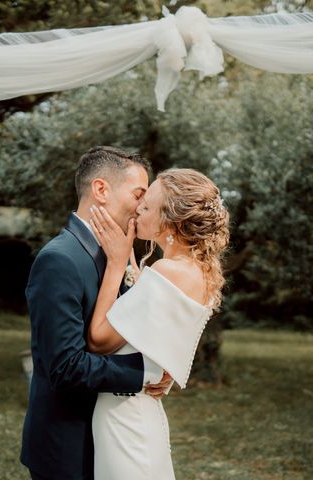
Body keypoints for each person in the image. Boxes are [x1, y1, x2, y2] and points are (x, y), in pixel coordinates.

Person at [20, 146, 173, 480]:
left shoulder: (116, 254)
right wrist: (144, 374)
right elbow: (65, 367)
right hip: (70, 446)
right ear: (101, 190)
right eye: (138, 195)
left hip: (115, 438)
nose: (143, 207)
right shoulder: (59, 260)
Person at [86, 168, 230, 480]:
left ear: (171, 222)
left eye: (148, 206)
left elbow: (98, 341)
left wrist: (115, 263)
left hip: (126, 417)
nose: (138, 209)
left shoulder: (169, 271)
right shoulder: (195, 271)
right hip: (138, 410)